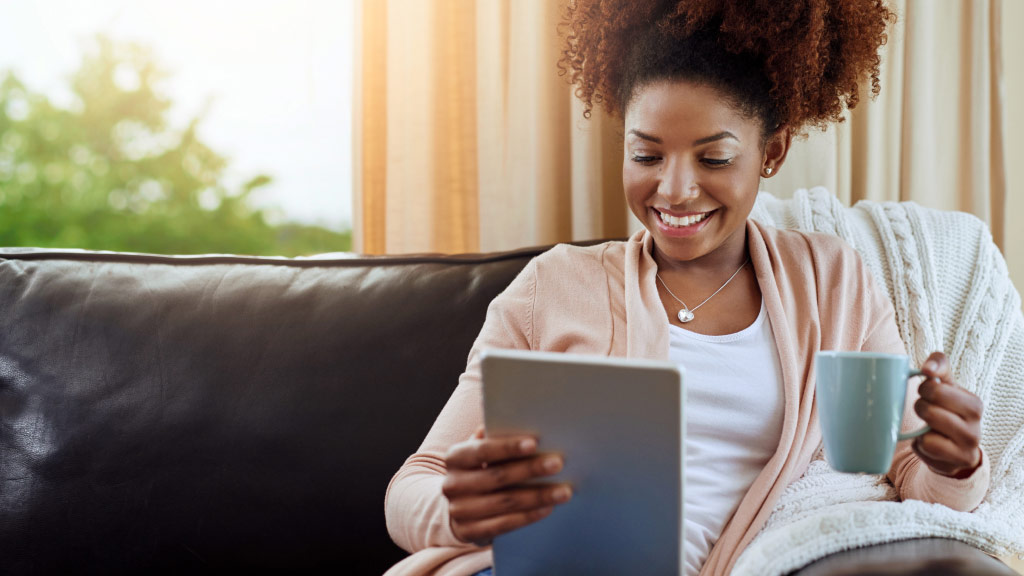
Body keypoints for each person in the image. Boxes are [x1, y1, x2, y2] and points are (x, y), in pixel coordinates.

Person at [384, 1, 990, 575]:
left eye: (714, 160)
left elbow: (914, 473)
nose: (673, 191)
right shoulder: (553, 285)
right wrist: (456, 511)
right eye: (646, 155)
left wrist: (957, 461)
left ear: (771, 152)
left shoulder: (833, 283)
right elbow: (414, 485)